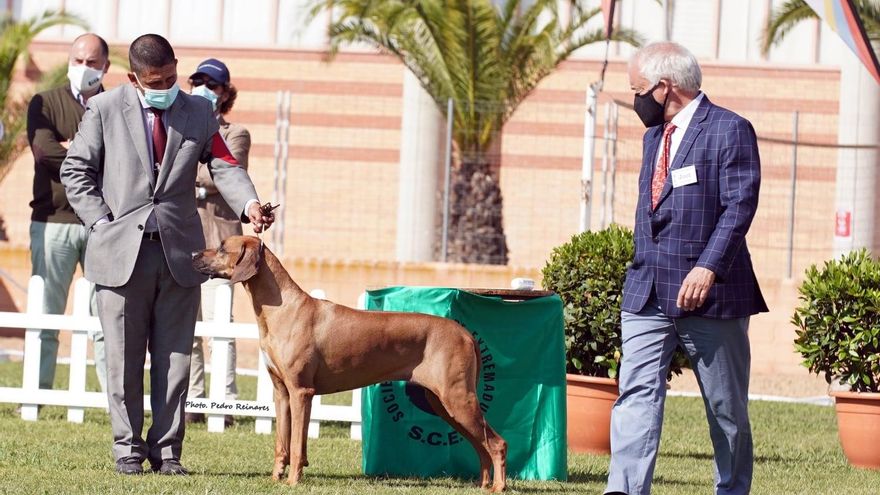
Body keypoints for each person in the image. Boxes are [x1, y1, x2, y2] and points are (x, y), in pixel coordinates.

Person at [60, 34, 274, 476]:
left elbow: (223, 165)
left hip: (179, 255)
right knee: (123, 358)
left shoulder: (198, 111)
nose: (166, 86)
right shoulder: (103, 109)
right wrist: (100, 222)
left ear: (178, 66)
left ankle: (168, 451)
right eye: (156, 81)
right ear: (133, 79)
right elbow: (75, 169)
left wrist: (250, 204)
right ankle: (127, 449)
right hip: (120, 254)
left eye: (172, 77)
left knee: (176, 360)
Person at [604, 41, 767, 495]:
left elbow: (739, 206)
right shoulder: (653, 136)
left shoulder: (730, 130)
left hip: (711, 294)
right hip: (647, 292)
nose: (634, 97)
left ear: (664, 86)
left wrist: (708, 268)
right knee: (635, 396)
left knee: (726, 408)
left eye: (638, 89)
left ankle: (732, 489)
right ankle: (624, 490)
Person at [27, 33, 110, 394]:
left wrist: (72, 150)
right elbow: (44, 152)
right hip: (53, 222)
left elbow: (124, 160)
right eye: (77, 61)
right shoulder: (43, 102)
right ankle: (35, 395)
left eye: (92, 62)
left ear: (105, 66)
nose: (83, 68)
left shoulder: (117, 105)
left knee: (107, 321)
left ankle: (114, 404)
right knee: (45, 315)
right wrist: (91, 158)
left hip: (103, 223)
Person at [185, 58, 250, 426]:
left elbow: (223, 173)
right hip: (185, 243)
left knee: (220, 328)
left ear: (225, 92)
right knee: (188, 328)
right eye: (198, 81)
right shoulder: (182, 125)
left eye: (212, 84)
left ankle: (225, 405)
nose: (204, 89)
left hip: (221, 249)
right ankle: (193, 402)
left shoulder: (235, 133)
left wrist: (191, 173)